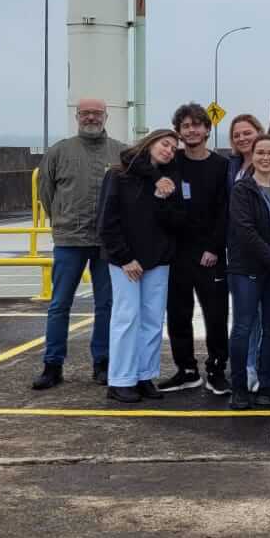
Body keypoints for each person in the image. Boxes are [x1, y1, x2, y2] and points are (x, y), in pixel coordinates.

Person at [31, 98, 126, 391]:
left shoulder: (121, 152)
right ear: (76, 116)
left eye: (97, 113)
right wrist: (62, 219)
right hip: (69, 240)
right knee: (59, 304)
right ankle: (53, 365)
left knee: (106, 305)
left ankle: (103, 363)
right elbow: (45, 192)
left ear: (106, 116)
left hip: (106, 243)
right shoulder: (59, 151)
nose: (91, 118)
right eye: (86, 113)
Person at [98, 129, 185, 404]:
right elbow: (107, 221)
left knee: (151, 319)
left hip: (158, 260)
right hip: (126, 262)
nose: (169, 150)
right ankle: (120, 380)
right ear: (150, 143)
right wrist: (124, 258)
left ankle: (144, 375)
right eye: (165, 143)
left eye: (173, 147)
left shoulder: (169, 182)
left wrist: (163, 199)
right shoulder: (118, 175)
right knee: (127, 317)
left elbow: (175, 223)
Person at [161, 103, 232, 395]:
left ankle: (216, 370)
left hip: (209, 255)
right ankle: (186, 370)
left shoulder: (221, 166)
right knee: (178, 314)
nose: (192, 130)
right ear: (178, 131)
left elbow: (224, 210)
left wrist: (214, 247)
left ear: (207, 128)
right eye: (186, 126)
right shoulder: (169, 162)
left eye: (197, 125)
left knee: (215, 315)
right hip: (176, 253)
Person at [226, 134, 270, 410]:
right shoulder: (242, 190)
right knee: (243, 327)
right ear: (252, 155)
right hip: (248, 269)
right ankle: (240, 388)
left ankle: (268, 386)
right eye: (261, 153)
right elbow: (245, 231)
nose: (266, 158)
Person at [226, 114, 264, 184]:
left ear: (259, 133)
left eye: (247, 133)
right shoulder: (232, 164)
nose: (241, 138)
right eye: (236, 136)